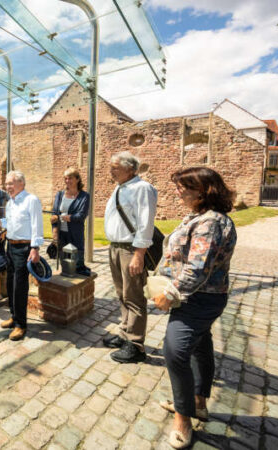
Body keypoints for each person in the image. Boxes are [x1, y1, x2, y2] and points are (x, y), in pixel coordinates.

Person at [153, 167, 237, 449]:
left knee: (175, 351)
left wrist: (171, 292)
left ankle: (183, 418)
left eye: (182, 186)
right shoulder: (199, 217)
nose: (177, 191)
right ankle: (198, 402)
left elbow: (197, 268)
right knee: (201, 346)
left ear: (203, 190)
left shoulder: (210, 223)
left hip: (198, 298)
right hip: (198, 296)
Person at [103, 151, 158, 363]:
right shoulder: (120, 188)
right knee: (122, 294)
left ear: (131, 169)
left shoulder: (142, 189)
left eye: (115, 167)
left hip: (130, 249)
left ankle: (135, 345)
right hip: (116, 248)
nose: (111, 170)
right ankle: (124, 333)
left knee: (134, 297)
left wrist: (139, 255)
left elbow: (146, 223)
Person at [0, 170, 43, 341]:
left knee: (20, 287)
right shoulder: (10, 203)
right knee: (10, 284)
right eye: (6, 183)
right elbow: (11, 222)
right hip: (10, 246)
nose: (7, 187)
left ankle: (21, 325)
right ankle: (13, 316)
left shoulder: (31, 200)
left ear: (21, 183)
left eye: (10, 183)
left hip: (24, 249)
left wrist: (35, 248)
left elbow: (36, 225)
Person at [50, 167, 91, 276]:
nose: (67, 181)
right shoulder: (60, 195)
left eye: (70, 178)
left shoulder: (84, 196)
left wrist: (66, 217)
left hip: (75, 233)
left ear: (77, 179)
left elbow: (81, 215)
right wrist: (54, 231)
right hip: (61, 233)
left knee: (76, 262)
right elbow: (54, 213)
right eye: (65, 178)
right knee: (64, 262)